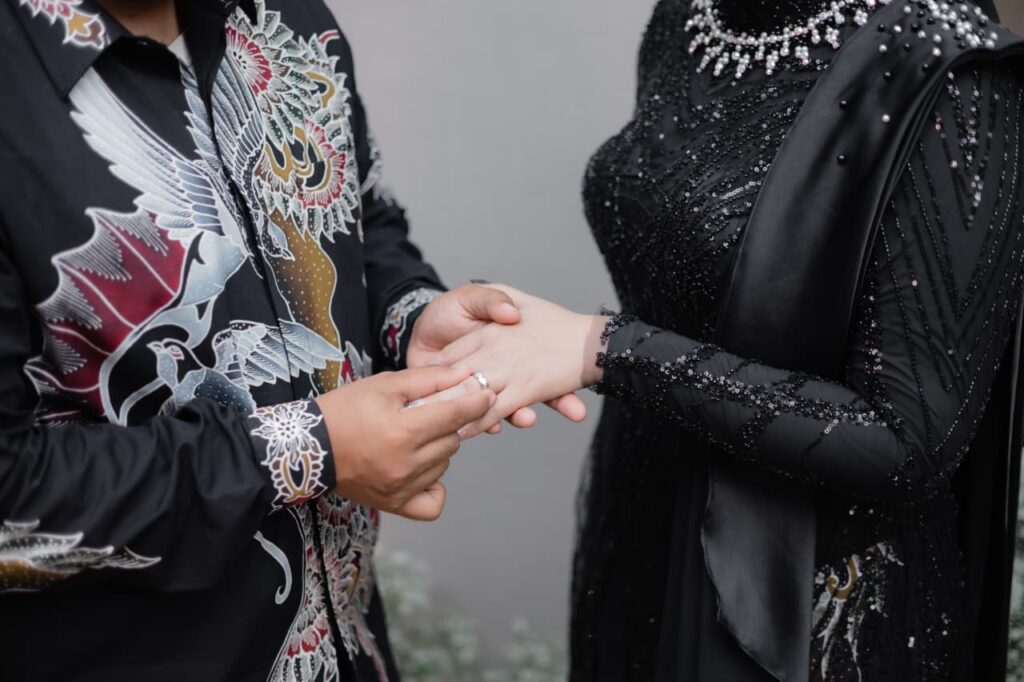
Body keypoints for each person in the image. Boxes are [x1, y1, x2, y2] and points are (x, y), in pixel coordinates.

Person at [428, 0, 1024, 679]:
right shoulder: (688, 17)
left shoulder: (952, 77)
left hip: (805, 598)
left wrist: (608, 350)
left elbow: (905, 441)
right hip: (644, 524)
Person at [0, 0, 586, 679]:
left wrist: (413, 318)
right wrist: (309, 450)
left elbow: (364, 222)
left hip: (352, 644)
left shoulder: (290, 22)